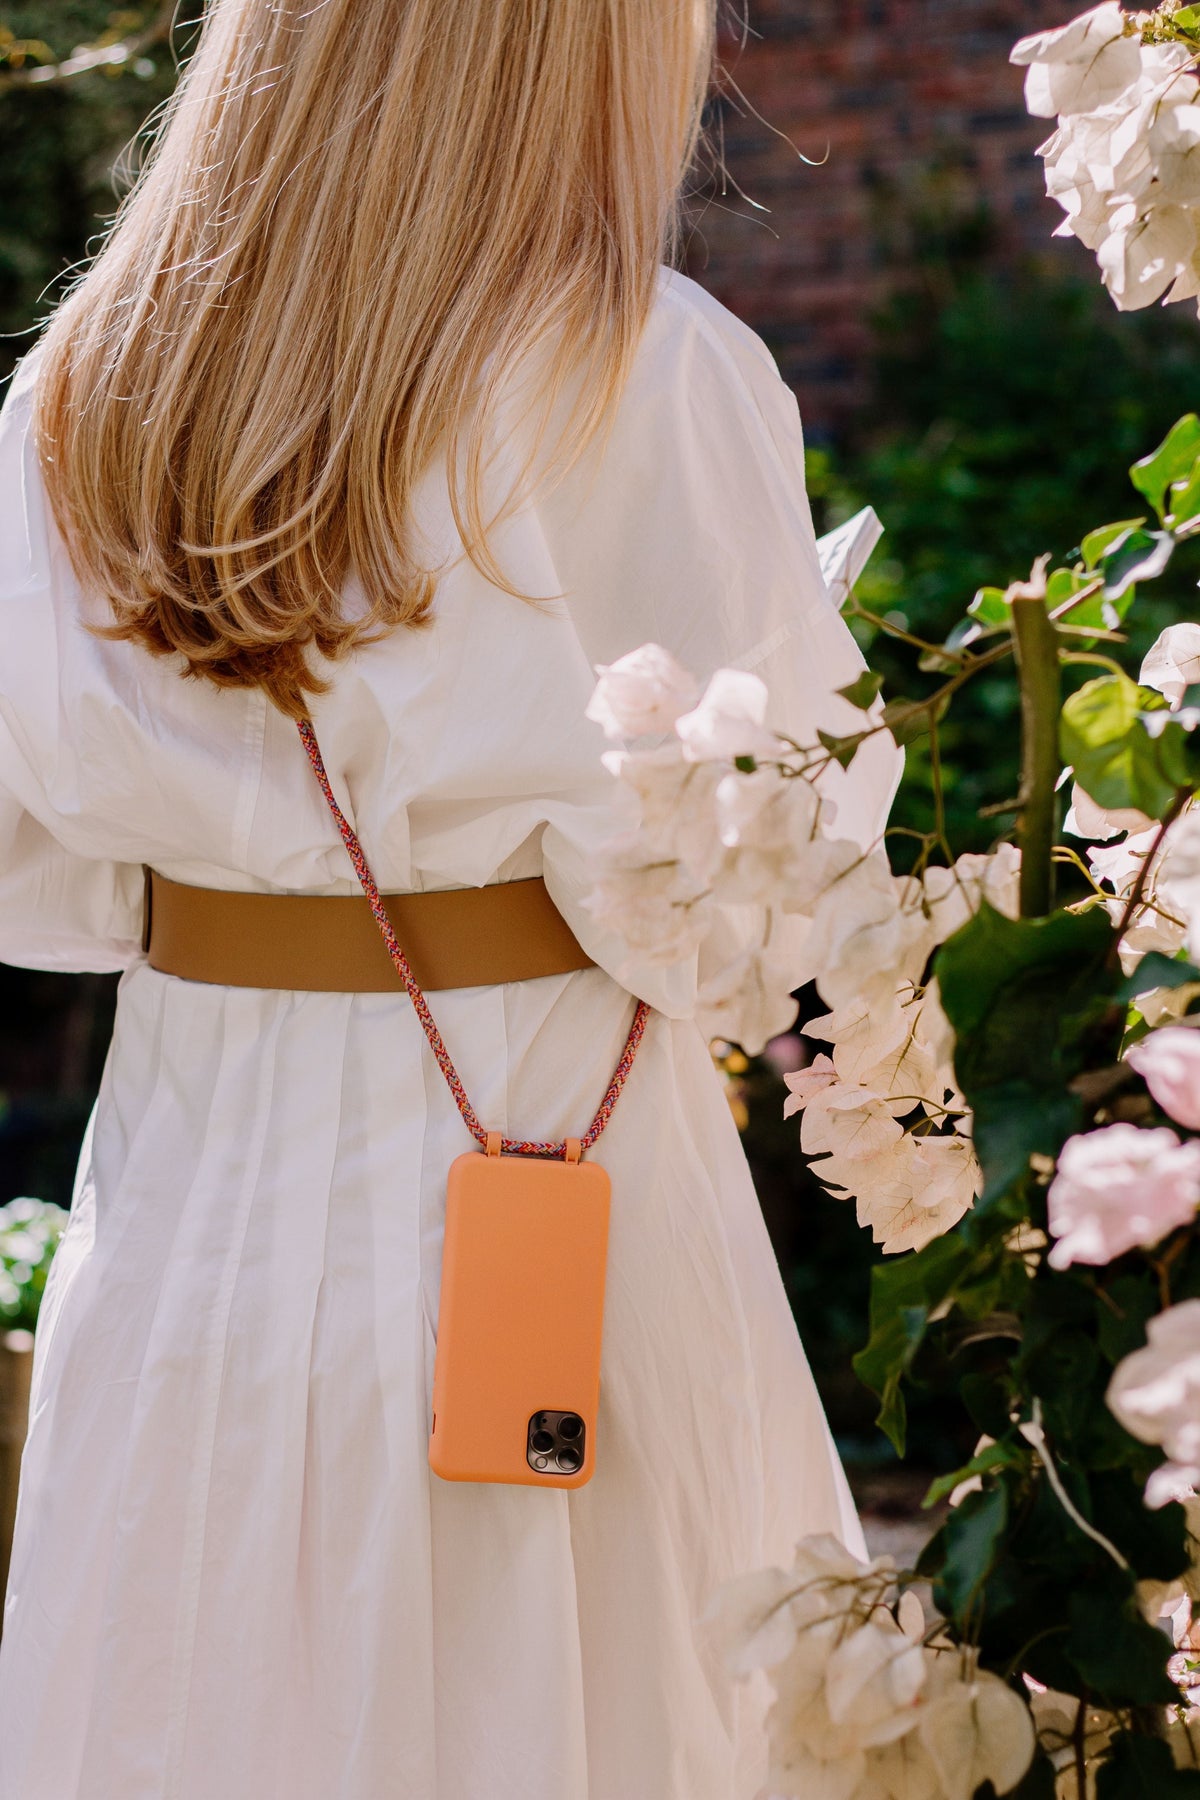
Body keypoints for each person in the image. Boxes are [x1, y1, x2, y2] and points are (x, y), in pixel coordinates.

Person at [0, 3, 899, 1796]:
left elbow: (48, 847)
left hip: (193, 1199)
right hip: (566, 1165)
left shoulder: (86, 379)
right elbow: (771, 895)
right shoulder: (643, 368)